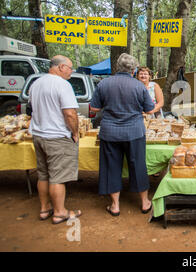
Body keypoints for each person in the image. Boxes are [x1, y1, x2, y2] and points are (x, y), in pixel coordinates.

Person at [90, 53, 155, 217]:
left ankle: (115, 205)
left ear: (117, 67)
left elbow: (94, 108)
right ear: (133, 70)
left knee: (111, 167)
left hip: (110, 132)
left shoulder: (103, 84)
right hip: (134, 131)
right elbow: (149, 109)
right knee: (138, 166)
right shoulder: (139, 86)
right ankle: (145, 202)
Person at [28, 55, 82, 224]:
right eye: (70, 68)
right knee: (58, 177)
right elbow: (70, 113)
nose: (71, 72)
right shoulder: (62, 85)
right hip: (57, 137)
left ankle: (45, 209)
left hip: (38, 135)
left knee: (43, 174)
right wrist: (75, 132)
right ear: (60, 67)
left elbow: (31, 108)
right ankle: (60, 212)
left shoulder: (36, 83)